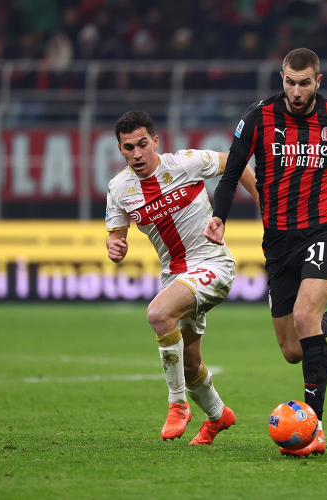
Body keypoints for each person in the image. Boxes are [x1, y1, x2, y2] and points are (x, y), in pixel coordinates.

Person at [204, 48, 327, 457]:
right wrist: (219, 216)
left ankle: (315, 428)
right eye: (290, 82)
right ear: (282, 78)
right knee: (293, 350)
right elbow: (232, 172)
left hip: (323, 231)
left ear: (318, 81)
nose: (296, 91)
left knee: (306, 318)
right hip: (277, 243)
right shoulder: (259, 117)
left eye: (304, 83)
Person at [105, 111, 260, 446]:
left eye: (142, 144)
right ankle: (218, 416)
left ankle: (177, 404)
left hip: (213, 264)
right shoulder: (119, 189)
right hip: (175, 277)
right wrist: (115, 247)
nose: (137, 154)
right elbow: (116, 236)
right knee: (190, 367)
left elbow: (236, 162)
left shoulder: (184, 163)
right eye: (129, 147)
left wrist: (267, 210)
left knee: (158, 314)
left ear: (155, 141)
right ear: (120, 150)